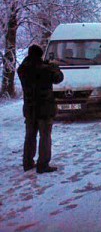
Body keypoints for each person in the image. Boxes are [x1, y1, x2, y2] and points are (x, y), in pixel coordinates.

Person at [18, 44, 64, 173]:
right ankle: (43, 164)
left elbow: (29, 66)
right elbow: (58, 78)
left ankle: (27, 162)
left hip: (29, 108)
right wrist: (55, 67)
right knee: (45, 136)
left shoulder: (22, 69)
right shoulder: (46, 69)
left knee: (30, 136)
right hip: (45, 108)